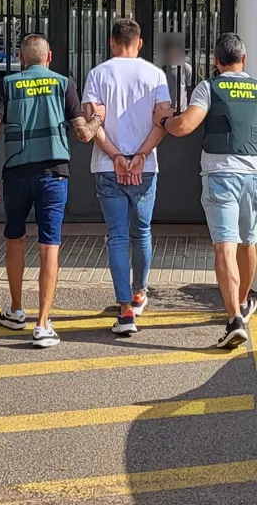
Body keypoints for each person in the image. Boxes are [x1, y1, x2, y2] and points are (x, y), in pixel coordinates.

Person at [0, 34, 101, 348]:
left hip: (17, 174)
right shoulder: (64, 84)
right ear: (49, 58)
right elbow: (83, 133)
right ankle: (43, 323)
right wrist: (98, 119)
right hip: (54, 175)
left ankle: (17, 310)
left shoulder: (8, 85)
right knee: (50, 245)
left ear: (22, 59)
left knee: (15, 238)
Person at [160, 32, 257, 348]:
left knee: (224, 246)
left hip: (220, 175)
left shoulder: (208, 87)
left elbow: (185, 125)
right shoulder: (255, 88)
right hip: (254, 175)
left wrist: (164, 123)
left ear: (216, 62)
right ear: (243, 60)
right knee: (248, 242)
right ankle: (241, 305)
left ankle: (234, 319)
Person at [82, 19, 172, 335]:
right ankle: (139, 293)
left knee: (117, 235)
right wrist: (140, 156)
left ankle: (124, 310)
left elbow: (94, 124)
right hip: (145, 168)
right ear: (140, 42)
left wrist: (118, 157)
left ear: (111, 42)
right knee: (142, 231)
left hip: (109, 167)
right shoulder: (156, 75)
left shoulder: (98, 74)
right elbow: (163, 121)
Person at [161, 33, 194, 113]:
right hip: (165, 110)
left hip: (182, 110)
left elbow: (190, 90)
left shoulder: (186, 68)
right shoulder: (160, 69)